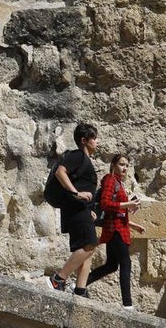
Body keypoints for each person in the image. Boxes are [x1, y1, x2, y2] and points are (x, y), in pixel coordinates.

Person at [45, 123, 100, 296]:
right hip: (76, 209)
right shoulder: (78, 156)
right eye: (94, 138)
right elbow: (60, 172)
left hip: (82, 209)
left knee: (87, 250)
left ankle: (80, 290)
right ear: (84, 141)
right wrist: (76, 193)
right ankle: (58, 279)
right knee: (90, 245)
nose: (97, 142)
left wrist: (90, 207)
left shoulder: (84, 160)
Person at [86, 154, 144, 309]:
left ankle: (79, 285)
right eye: (121, 164)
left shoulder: (118, 183)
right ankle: (127, 305)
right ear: (113, 165)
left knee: (112, 265)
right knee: (126, 263)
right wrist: (128, 204)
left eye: (127, 165)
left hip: (118, 228)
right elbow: (105, 204)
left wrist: (134, 225)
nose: (124, 168)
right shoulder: (110, 180)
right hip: (115, 230)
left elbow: (117, 212)